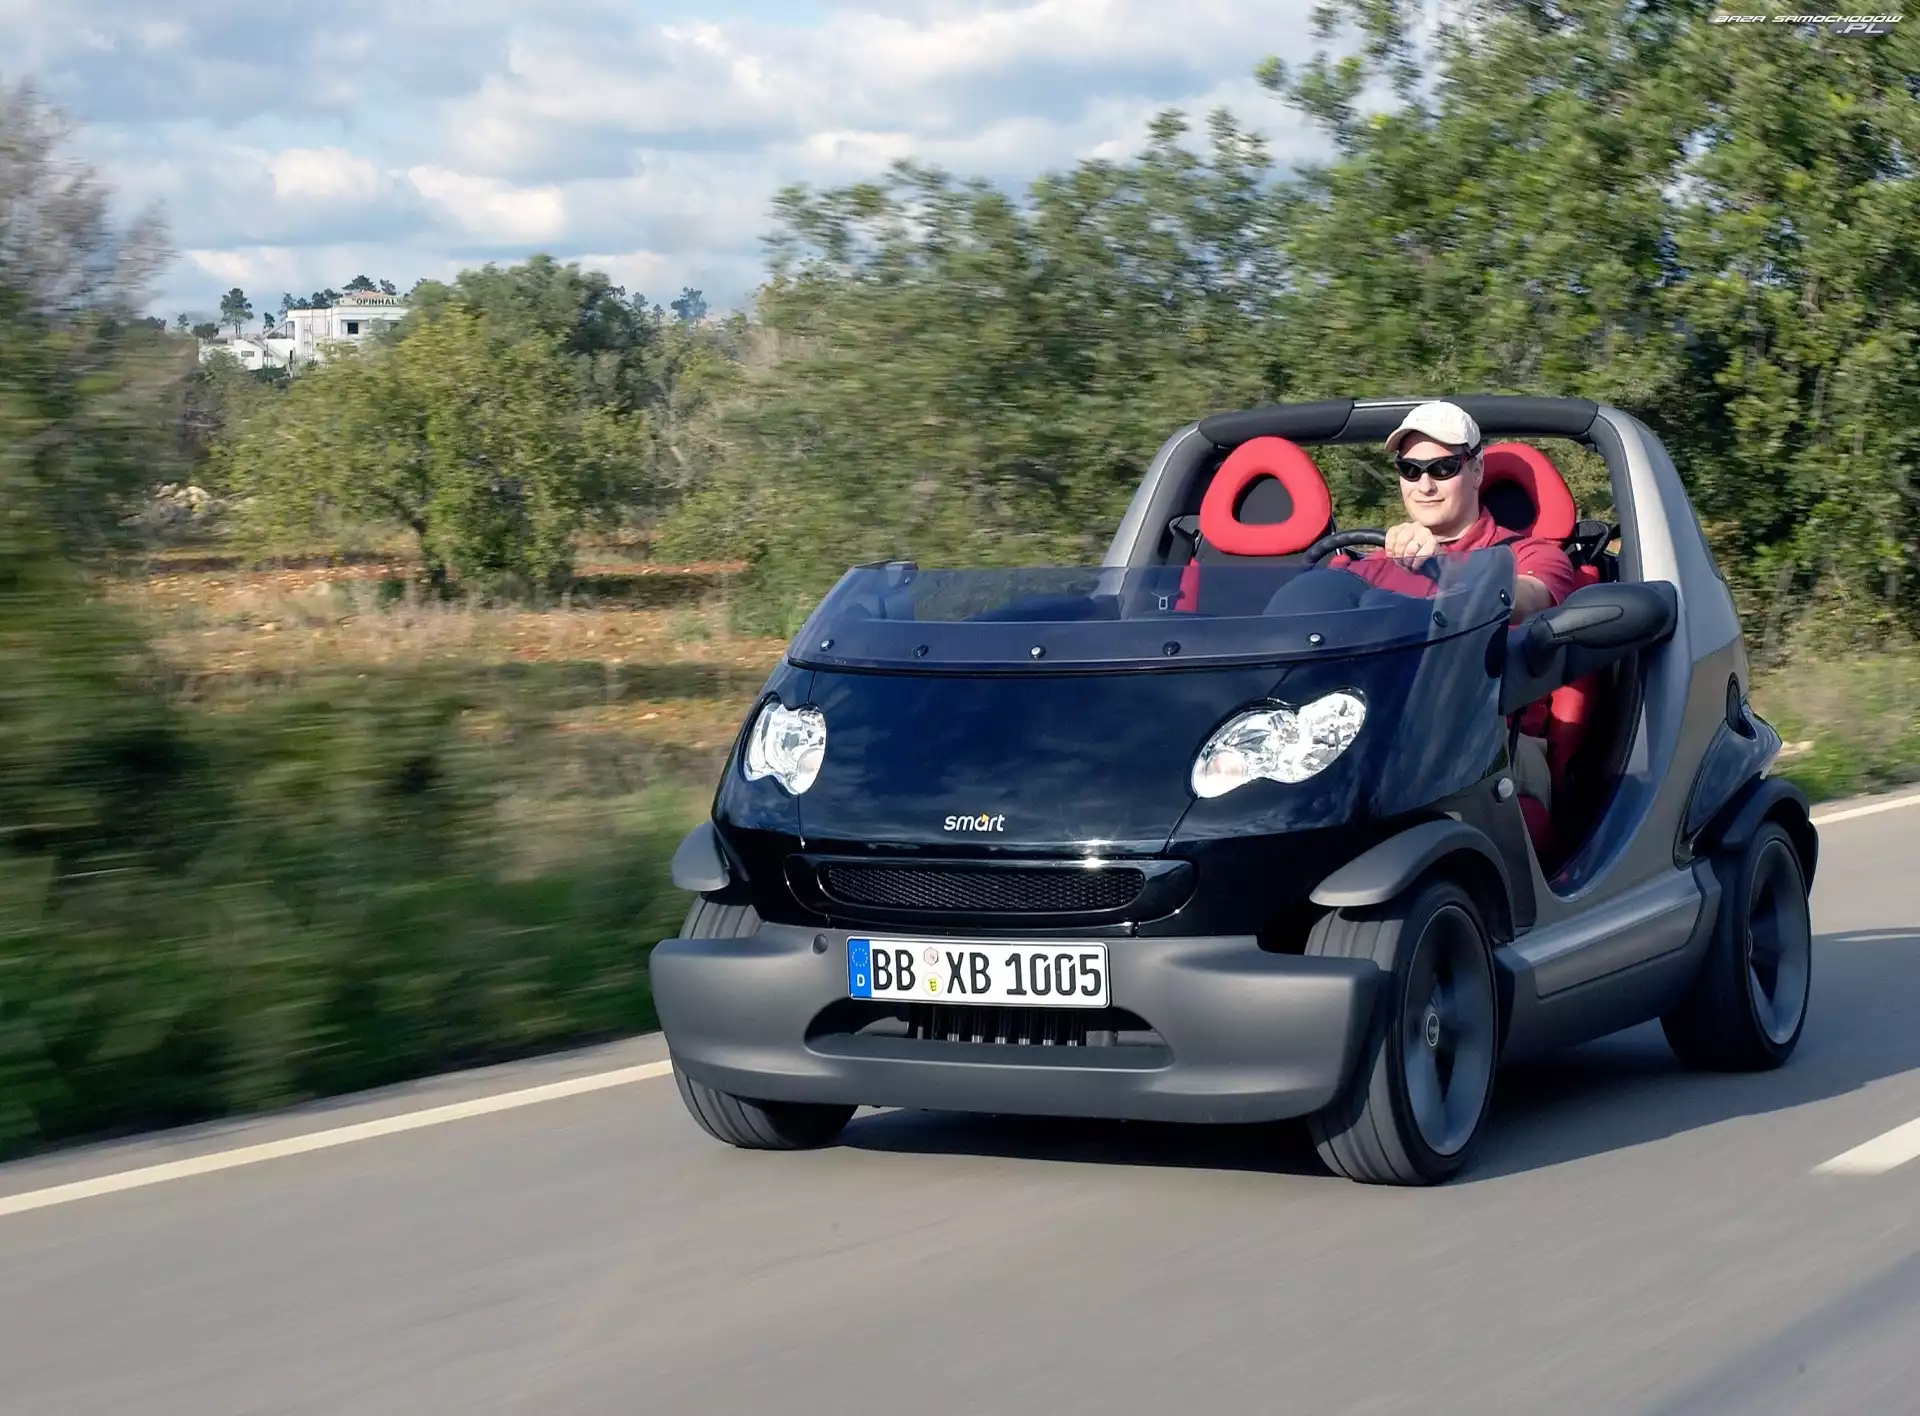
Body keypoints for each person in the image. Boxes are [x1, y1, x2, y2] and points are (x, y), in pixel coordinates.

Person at [1336, 400, 1581, 817]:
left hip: (1496, 747)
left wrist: (1447, 569)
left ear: (1477, 470)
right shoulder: (1370, 565)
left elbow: (1527, 599)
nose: (1424, 485)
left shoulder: (1531, 554)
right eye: (1410, 470)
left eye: (1443, 468)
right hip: (1372, 734)